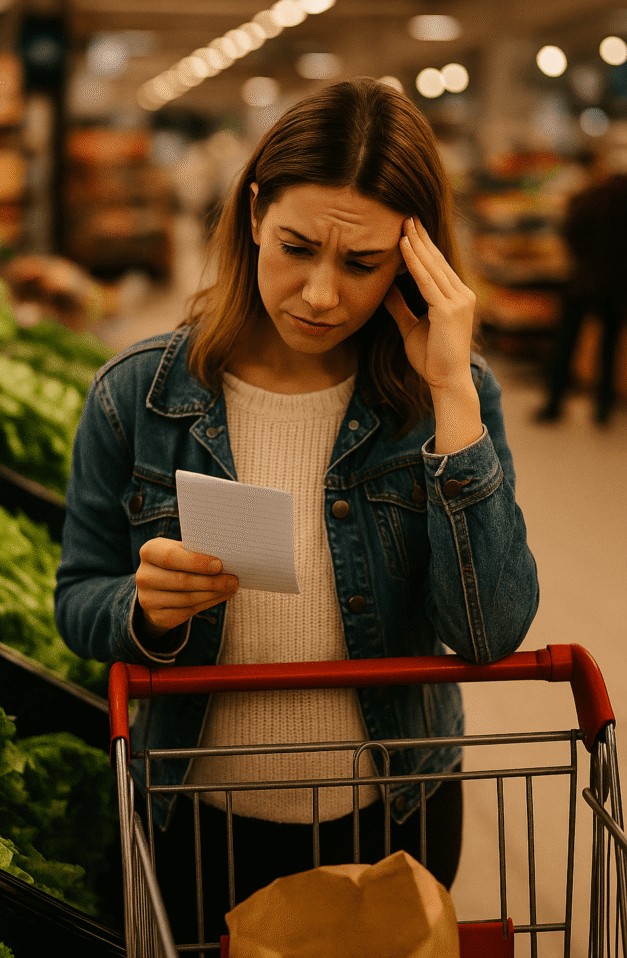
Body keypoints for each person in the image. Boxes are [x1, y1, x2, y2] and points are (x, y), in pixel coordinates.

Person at [55, 78, 539, 943]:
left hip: (392, 811)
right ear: (251, 215)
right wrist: (145, 612)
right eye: (296, 247)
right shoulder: (139, 397)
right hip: (192, 817)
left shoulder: (448, 402)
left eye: (361, 264)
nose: (320, 294)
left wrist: (451, 400)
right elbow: (76, 599)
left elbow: (486, 631)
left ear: (413, 260)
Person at [537, 168, 627, 424]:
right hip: (616, 285)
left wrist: (582, 259)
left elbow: (570, 232)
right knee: (609, 347)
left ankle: (554, 402)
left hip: (583, 280)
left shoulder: (589, 199)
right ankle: (604, 408)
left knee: (566, 343)